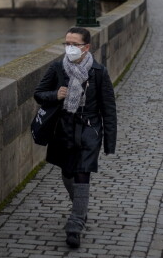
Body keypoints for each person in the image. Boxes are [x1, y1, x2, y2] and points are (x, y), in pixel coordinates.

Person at [34, 27, 117, 248]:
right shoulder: (57, 67)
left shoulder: (98, 72)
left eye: (74, 44)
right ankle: (80, 206)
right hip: (63, 128)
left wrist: (109, 142)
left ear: (86, 47)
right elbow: (38, 93)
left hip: (89, 129)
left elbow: (108, 109)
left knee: (82, 173)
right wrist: (56, 95)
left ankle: (75, 224)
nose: (69, 48)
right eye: (66, 44)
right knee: (68, 172)